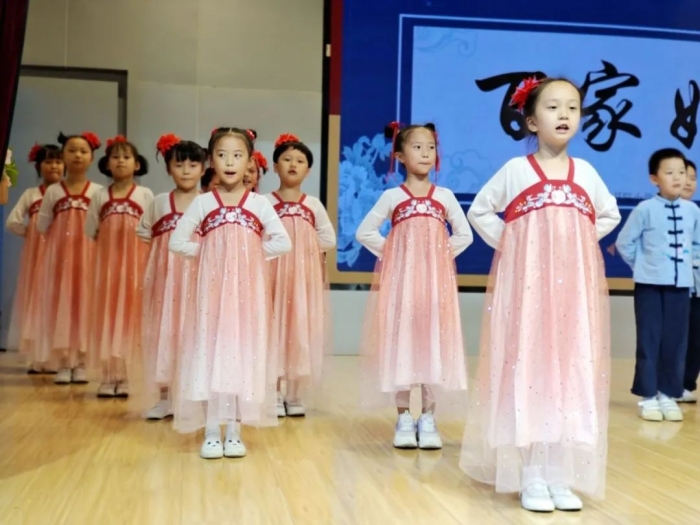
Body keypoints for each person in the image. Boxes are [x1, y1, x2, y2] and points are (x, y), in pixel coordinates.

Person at [462, 77, 621, 512]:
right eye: (552, 107)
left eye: (572, 107)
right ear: (531, 121)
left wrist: (577, 244)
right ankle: (531, 473)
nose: (564, 114)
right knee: (531, 369)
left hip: (573, 294)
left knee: (570, 370)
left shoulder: (586, 172)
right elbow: (480, 210)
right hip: (528, 293)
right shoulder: (516, 171)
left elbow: (607, 214)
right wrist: (516, 245)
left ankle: (559, 473)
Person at [169, 127, 291, 459]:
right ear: (211, 161)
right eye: (222, 155)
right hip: (211, 295)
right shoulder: (203, 202)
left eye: (237, 156)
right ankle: (211, 429)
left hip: (247, 294)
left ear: (250, 161)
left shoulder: (259, 204)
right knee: (210, 352)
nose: (229, 162)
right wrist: (208, 255)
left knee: (241, 352)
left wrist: (251, 256)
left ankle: (235, 429)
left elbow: (283, 242)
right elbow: (177, 242)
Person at [356, 121, 472, 450]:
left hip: (435, 287)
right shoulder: (392, 196)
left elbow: (464, 235)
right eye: (417, 147)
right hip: (402, 286)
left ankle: (429, 417)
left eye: (430, 147)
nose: (425, 153)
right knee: (404, 344)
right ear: (399, 156)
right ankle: (405, 417)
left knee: (432, 344)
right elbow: (364, 232)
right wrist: (396, 255)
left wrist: (439, 256)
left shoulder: (445, 197)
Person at [616, 149, 700, 421]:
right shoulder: (644, 209)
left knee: (676, 341)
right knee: (649, 340)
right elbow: (624, 243)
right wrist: (642, 267)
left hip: (681, 287)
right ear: (654, 178)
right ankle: (649, 397)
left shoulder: (692, 211)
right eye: (670, 172)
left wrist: (689, 265)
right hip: (649, 287)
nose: (678, 178)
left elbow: (697, 244)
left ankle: (668, 394)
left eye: (681, 173)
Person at [266, 133, 336, 417]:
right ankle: (272, 392)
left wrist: (304, 248)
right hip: (272, 277)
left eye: (300, 160)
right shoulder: (264, 202)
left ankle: (294, 394)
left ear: (308, 170)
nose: (293, 164)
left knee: (299, 328)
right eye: (286, 159)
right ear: (275, 166)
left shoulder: (313, 204)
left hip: (302, 280)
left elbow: (328, 239)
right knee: (273, 328)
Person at [139, 134, 206, 419]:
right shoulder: (159, 202)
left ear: (203, 168)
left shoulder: (208, 202)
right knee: (165, 332)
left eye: (193, 165)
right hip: (165, 281)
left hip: (199, 280)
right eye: (179, 165)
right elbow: (144, 233)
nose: (186, 171)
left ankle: (195, 398)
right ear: (168, 169)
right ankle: (165, 398)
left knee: (196, 334)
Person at [85, 136, 153, 397]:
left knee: (131, 318)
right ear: (106, 163)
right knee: (108, 316)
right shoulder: (100, 195)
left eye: (126, 157)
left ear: (137, 164)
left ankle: (126, 376)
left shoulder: (145, 195)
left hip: (137, 268)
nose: (121, 161)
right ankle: (108, 376)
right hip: (108, 268)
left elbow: (151, 231)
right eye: (115, 157)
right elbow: (91, 229)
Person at [36, 131, 103, 385]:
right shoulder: (53, 191)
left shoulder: (98, 191)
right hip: (60, 260)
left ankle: (82, 362)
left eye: (83, 151)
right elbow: (42, 226)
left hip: (90, 259)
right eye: (72, 150)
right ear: (63, 155)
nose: (77, 155)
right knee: (61, 306)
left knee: (86, 306)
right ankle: (64, 362)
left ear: (92, 158)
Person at [5, 143, 63, 373]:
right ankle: (38, 357)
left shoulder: (66, 193)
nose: (54, 166)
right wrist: (31, 233)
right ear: (39, 166)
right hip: (38, 254)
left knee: (60, 302)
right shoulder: (31, 195)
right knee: (39, 303)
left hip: (63, 255)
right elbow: (13, 221)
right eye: (48, 161)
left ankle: (59, 358)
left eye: (58, 161)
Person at [679, 160, 700, 403]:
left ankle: (687, 384)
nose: (688, 182)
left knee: (695, 337)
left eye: (693, 178)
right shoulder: (653, 210)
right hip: (672, 286)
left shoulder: (696, 212)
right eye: (683, 175)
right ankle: (667, 384)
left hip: (696, 288)